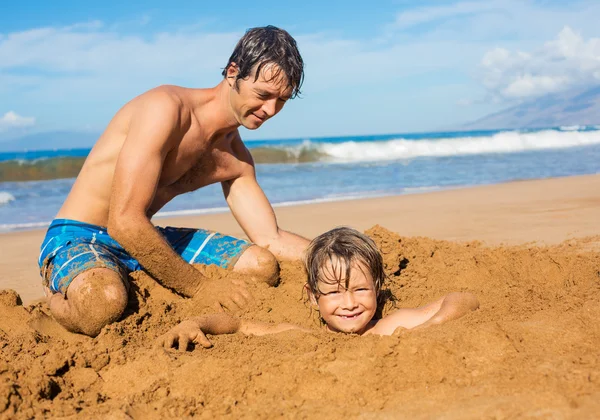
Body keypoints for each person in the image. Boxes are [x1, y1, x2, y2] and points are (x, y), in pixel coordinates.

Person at [38, 26, 311, 337]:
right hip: (81, 234)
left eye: (282, 100)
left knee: (261, 265)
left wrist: (337, 257)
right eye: (263, 94)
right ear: (234, 73)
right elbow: (124, 221)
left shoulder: (235, 156)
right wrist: (201, 287)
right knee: (103, 305)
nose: (271, 110)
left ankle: (128, 273)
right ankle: (56, 297)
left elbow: (270, 238)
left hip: (144, 238)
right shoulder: (166, 109)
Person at [159, 227, 479, 351]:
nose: (350, 302)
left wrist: (432, 326)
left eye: (361, 289)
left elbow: (461, 299)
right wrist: (195, 324)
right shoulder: (303, 336)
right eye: (335, 292)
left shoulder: (391, 327)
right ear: (313, 297)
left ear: (378, 288)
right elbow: (240, 324)